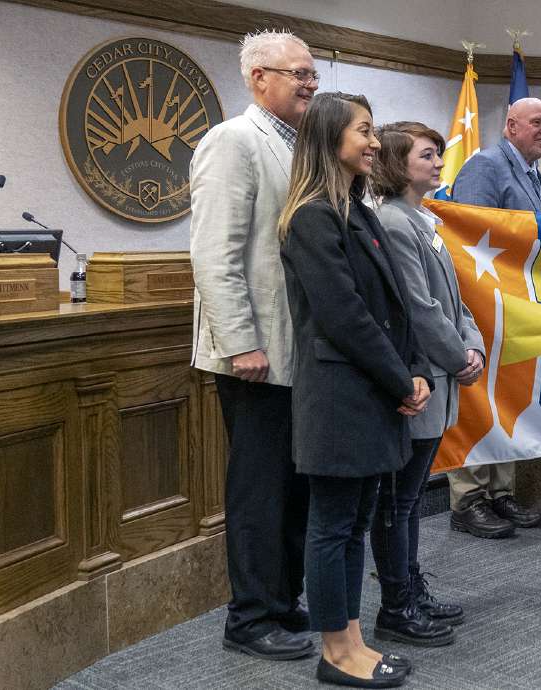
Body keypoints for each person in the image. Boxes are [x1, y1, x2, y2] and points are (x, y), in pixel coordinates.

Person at [279, 92, 431, 688]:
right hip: (342, 396)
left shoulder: (356, 208)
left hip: (373, 391)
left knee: (359, 518)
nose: (374, 142)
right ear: (329, 138)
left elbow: (391, 306)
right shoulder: (312, 215)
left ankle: (354, 637)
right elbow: (343, 317)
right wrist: (401, 377)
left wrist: (412, 370)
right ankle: (335, 651)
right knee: (333, 525)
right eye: (364, 131)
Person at [188, 29, 315, 661]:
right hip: (255, 355)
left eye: (311, 73)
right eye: (296, 73)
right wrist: (241, 342)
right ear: (258, 78)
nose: (309, 83)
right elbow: (214, 254)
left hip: (297, 354)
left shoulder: (299, 146)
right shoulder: (233, 140)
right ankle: (250, 617)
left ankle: (284, 601)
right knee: (260, 489)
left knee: (294, 487)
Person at [368, 121, 485, 644]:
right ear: (395, 162)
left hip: (443, 372)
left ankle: (411, 590)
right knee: (398, 500)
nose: (439, 163)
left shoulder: (423, 217)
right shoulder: (394, 222)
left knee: (412, 499)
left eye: (438, 154)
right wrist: (457, 355)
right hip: (422, 377)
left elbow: (454, 301)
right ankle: (397, 603)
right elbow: (418, 307)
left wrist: (472, 344)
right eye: (428, 155)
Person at [446, 97, 541, 538]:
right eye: (537, 123)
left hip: (518, 308)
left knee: (507, 397)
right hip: (485, 306)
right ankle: (468, 498)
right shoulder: (484, 166)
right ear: (510, 125)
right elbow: (468, 237)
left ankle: (500, 493)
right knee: (479, 397)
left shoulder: (534, 174)